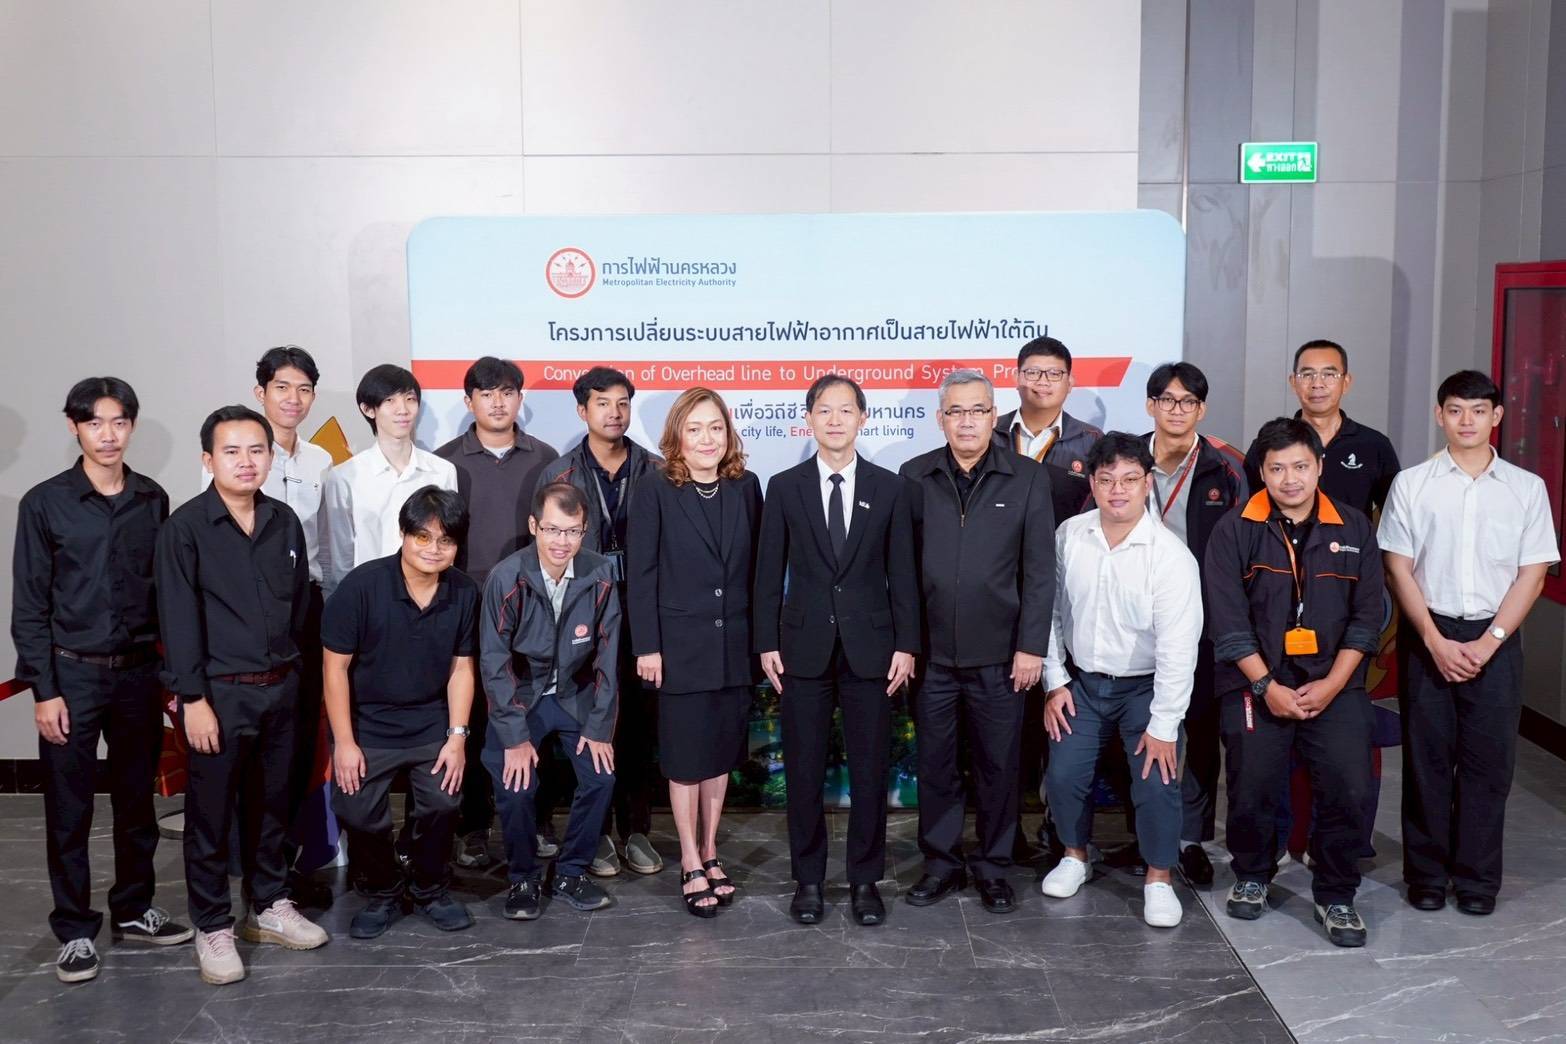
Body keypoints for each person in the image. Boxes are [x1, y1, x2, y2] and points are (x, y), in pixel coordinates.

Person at [12, 377, 191, 983]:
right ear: (75, 428)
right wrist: (44, 691)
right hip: (71, 675)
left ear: (131, 426)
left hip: (138, 674)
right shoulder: (44, 504)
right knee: (69, 809)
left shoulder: (152, 499)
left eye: (118, 422)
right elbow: (29, 605)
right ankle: (74, 930)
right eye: (94, 423)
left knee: (137, 801)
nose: (107, 435)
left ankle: (134, 908)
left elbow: (163, 594)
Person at [156, 405, 329, 985]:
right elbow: (178, 620)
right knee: (210, 817)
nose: (246, 461)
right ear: (208, 460)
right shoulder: (184, 529)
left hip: (280, 689)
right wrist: (193, 700)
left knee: (272, 806)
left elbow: (298, 607)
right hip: (218, 697)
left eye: (257, 450)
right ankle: (212, 925)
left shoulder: (284, 521)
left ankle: (269, 906)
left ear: (271, 456)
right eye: (231, 451)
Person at [1379, 370, 1558, 915]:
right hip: (1428, 633)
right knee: (1427, 761)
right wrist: (1433, 640)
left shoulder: (1526, 488)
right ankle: (1427, 877)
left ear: (1496, 417)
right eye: (1455, 410)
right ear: (1440, 415)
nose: (1467, 421)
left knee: (1489, 764)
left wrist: (1490, 641)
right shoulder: (1412, 484)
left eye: (1478, 411)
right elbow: (1398, 567)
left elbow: (1533, 572)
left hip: (1495, 638)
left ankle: (1478, 881)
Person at [1204, 417, 1383, 947]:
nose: (1290, 479)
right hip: (1256, 682)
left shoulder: (1353, 527)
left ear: (1319, 467)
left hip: (1336, 683)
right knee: (1252, 781)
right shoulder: (1235, 528)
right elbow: (1228, 621)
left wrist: (1332, 684)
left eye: (1300, 466)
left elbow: (1367, 617)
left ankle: (1337, 893)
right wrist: (1266, 686)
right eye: (1277, 468)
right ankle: (1253, 874)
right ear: (1261, 472)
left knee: (1350, 785)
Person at [754, 374, 919, 926]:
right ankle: (807, 881)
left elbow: (903, 573)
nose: (834, 420)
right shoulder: (785, 486)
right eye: (824, 410)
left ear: (862, 419)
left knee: (870, 771)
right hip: (802, 649)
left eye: (845, 410)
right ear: (809, 419)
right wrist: (766, 641)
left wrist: (907, 644)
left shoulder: (889, 487)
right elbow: (767, 572)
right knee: (803, 771)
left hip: (872, 650)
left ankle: (865, 881)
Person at [898, 369, 1055, 914]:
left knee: (998, 767)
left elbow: (1040, 572)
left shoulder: (1028, 478)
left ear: (994, 416)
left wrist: (1031, 646)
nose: (967, 421)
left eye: (978, 410)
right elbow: (901, 571)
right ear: (941, 419)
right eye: (956, 411)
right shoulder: (914, 476)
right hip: (932, 658)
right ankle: (941, 864)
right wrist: (907, 645)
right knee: (936, 766)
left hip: (1003, 658)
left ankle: (993, 867)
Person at [1039, 433, 1201, 928]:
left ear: (1147, 484)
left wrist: (1164, 724)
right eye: (1107, 480)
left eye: (1130, 480)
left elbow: (1179, 650)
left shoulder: (1170, 556)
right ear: (1092, 483)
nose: (1117, 491)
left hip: (1146, 689)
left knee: (1156, 780)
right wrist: (1055, 681)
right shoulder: (1069, 535)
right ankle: (1075, 855)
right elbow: (1048, 613)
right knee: (1064, 775)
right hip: (1082, 685)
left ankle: (1159, 878)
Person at [202, 346, 336, 905]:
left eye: (304, 389)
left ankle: (284, 867)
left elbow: (325, 544)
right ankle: (245, 867)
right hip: (240, 621)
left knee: (297, 744)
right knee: (242, 753)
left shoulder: (322, 461)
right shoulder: (233, 455)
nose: (293, 399)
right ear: (261, 393)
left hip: (302, 609)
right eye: (282, 387)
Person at [627, 387, 763, 917]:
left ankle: (711, 851)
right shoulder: (655, 488)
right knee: (686, 758)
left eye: (716, 427)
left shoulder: (746, 486)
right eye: (695, 428)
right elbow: (642, 573)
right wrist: (648, 646)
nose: (708, 438)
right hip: (678, 648)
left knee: (720, 754)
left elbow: (757, 571)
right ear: (677, 436)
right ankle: (688, 859)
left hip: (734, 646)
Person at [323, 487, 479, 938]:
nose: (434, 549)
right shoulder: (362, 586)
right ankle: (383, 890)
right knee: (356, 810)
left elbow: (462, 668)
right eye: (423, 537)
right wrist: (345, 743)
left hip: (431, 723)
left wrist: (457, 737)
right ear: (403, 534)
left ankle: (430, 888)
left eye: (445, 540)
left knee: (444, 802)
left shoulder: (464, 591)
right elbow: (334, 669)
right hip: (367, 726)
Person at [535, 366, 663, 878]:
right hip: (582, 614)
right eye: (603, 403)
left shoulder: (656, 469)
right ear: (582, 410)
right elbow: (546, 551)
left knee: (638, 724)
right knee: (592, 720)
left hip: (644, 611)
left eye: (623, 403)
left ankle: (635, 829)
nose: (615, 412)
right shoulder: (559, 474)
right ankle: (598, 832)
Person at [434, 357, 557, 873]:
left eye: (507, 392)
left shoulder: (546, 458)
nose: (498, 402)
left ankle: (538, 820)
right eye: (486, 394)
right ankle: (474, 826)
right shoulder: (445, 463)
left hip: (534, 611)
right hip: (468, 609)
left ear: (520, 399)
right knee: (475, 720)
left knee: (536, 716)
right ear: (469, 402)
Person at [480, 482, 621, 920]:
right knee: (516, 784)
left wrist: (600, 727)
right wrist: (514, 737)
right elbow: (494, 662)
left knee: (601, 778)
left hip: (574, 694)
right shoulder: (506, 577)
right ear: (534, 526)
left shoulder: (600, 574)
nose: (562, 542)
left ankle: (570, 872)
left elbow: (608, 656)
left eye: (573, 531)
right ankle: (522, 877)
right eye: (553, 530)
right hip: (521, 697)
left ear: (584, 531)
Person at [1140, 362, 1247, 886]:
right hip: (1135, 623)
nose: (1177, 410)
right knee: (1140, 729)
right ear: (1150, 405)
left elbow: (1248, 546)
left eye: (1188, 401)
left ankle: (1190, 838)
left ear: (1201, 409)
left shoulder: (1228, 466)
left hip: (1202, 625)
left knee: (1200, 733)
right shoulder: (1126, 460)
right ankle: (1145, 833)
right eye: (1167, 399)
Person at [320, 364, 458, 595]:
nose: (402, 410)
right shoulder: (345, 476)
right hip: (369, 595)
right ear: (368, 409)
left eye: (409, 399)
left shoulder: (442, 471)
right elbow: (342, 555)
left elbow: (448, 541)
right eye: (390, 401)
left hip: (430, 593)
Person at [1249, 339, 1400, 517]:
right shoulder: (1267, 445)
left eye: (1329, 374)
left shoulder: (1375, 445)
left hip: (1353, 536)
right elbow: (1248, 512)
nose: (1317, 384)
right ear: (1293, 382)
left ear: (1346, 382)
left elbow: (1394, 518)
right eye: (1307, 375)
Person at [995, 336, 1103, 476]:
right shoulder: (990, 432)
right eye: (1033, 373)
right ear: (1017, 378)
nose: (1043, 382)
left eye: (1054, 374)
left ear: (1069, 383)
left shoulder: (1091, 439)